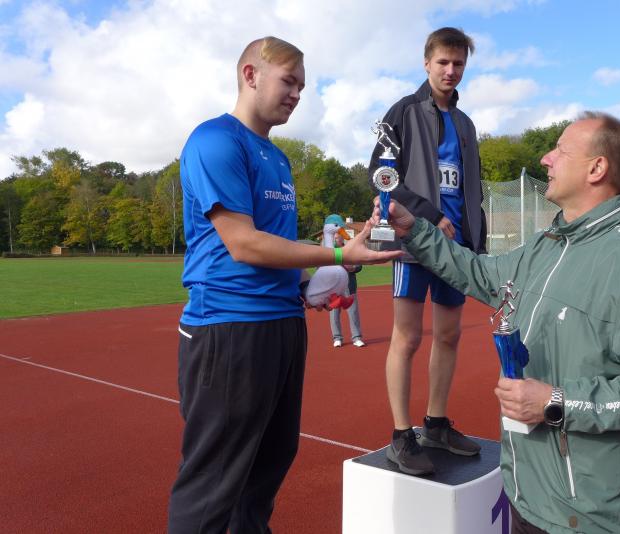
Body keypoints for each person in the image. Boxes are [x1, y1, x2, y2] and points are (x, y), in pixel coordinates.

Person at [371, 112, 620, 533]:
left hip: (583, 514)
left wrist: (556, 401)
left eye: (560, 150)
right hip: (524, 492)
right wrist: (415, 229)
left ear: (596, 169)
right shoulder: (544, 248)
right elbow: (480, 274)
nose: (546, 158)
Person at [167, 36, 401, 534]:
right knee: (213, 482)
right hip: (229, 327)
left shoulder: (278, 158)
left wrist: (310, 282)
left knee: (268, 467)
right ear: (250, 75)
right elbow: (244, 244)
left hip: (282, 324)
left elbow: (277, 243)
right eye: (288, 82)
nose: (297, 95)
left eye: (302, 87)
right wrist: (338, 255)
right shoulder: (215, 140)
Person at [368, 26, 487, 476]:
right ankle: (402, 435)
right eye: (443, 62)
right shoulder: (403, 111)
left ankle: (435, 424)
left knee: (450, 335)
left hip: (454, 249)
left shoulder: (466, 124)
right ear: (426, 63)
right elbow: (381, 175)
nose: (450, 70)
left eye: (458, 63)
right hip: (414, 243)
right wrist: (427, 217)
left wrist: (475, 241)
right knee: (408, 337)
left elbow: (471, 189)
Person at [323, 214, 366, 348]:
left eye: (338, 236)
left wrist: (353, 268)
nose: (337, 238)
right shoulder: (327, 251)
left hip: (349, 285)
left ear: (342, 237)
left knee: (353, 312)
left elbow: (359, 265)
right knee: (334, 312)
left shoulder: (350, 249)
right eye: (335, 237)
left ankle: (356, 337)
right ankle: (337, 337)